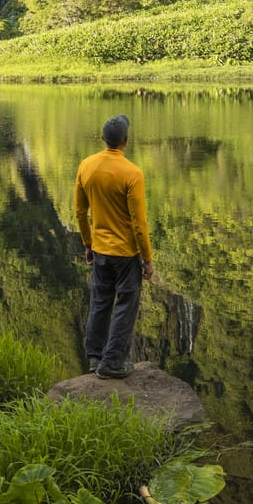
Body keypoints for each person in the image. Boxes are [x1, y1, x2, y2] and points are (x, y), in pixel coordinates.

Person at [73, 113, 154, 379]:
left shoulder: (86, 166)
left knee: (100, 301)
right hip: (126, 253)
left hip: (100, 250)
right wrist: (147, 259)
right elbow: (139, 222)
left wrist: (88, 243)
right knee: (126, 304)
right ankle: (113, 362)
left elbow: (79, 211)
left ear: (103, 139)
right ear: (126, 141)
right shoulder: (132, 173)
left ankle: (95, 357)